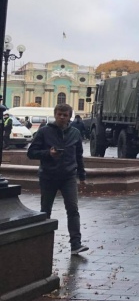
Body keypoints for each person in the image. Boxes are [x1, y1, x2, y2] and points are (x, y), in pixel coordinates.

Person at [27, 103, 88, 255]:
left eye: (65, 115)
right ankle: (42, 244)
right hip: (48, 176)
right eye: (59, 114)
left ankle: (76, 244)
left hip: (68, 176)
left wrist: (82, 175)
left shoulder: (75, 133)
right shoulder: (44, 131)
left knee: (73, 209)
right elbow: (31, 152)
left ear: (69, 117)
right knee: (45, 210)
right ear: (55, 115)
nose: (61, 117)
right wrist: (48, 153)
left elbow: (78, 155)